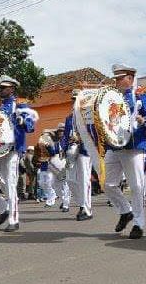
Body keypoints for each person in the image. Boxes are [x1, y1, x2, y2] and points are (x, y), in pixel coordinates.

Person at [103, 64, 146, 239]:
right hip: (114, 146)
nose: (117, 81)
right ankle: (125, 211)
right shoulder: (112, 98)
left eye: (120, 78)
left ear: (130, 78)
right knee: (108, 184)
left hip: (134, 146)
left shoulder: (141, 95)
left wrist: (144, 120)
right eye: (116, 78)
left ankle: (138, 223)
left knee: (136, 186)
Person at [0, 75, 36, 232]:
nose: (1, 90)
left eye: (4, 88)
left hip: (12, 149)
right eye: (0, 87)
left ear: (12, 89)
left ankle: (14, 220)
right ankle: (3, 209)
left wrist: (22, 121)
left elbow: (31, 125)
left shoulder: (20, 105)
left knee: (10, 182)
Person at [62, 91, 93, 220]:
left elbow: (93, 133)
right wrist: (64, 148)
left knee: (84, 179)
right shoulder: (69, 118)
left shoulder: (88, 116)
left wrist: (80, 138)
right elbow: (65, 135)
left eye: (77, 100)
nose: (74, 102)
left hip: (85, 150)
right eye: (73, 100)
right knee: (69, 179)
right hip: (71, 151)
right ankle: (82, 203)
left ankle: (86, 209)